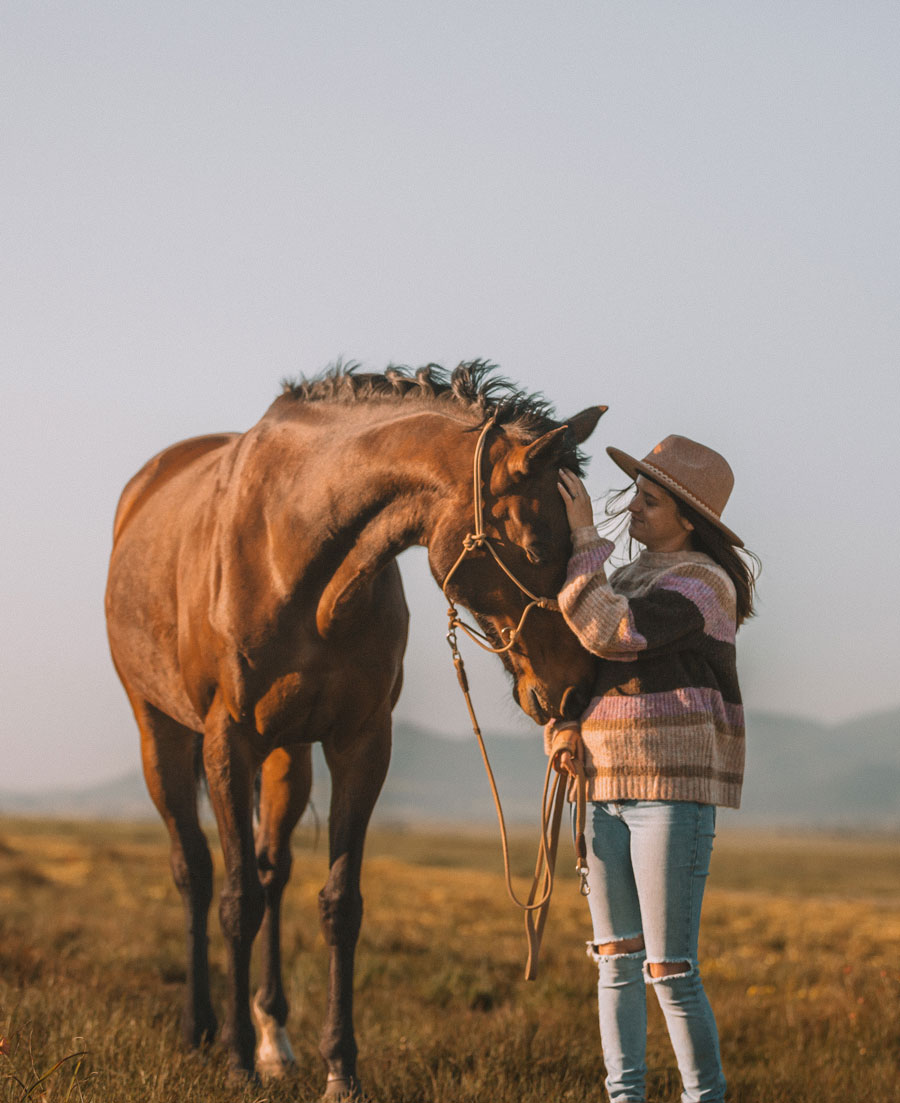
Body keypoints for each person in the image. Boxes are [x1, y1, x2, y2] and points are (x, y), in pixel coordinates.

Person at [548, 434, 759, 1103]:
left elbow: (613, 632)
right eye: (635, 494)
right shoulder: (630, 577)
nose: (631, 508)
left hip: (668, 794)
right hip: (602, 788)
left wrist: (583, 534)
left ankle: (706, 1097)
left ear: (688, 519)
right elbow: (589, 665)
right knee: (615, 962)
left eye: (649, 498)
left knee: (669, 968)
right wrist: (562, 723)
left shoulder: (704, 582)